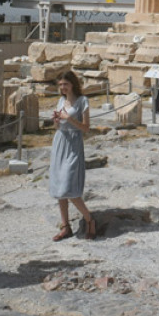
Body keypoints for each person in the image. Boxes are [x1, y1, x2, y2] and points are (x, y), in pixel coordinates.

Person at [49, 71, 97, 241]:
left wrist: (69, 118)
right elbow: (57, 127)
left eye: (65, 84)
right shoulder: (61, 100)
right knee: (59, 187)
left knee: (69, 187)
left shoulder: (83, 101)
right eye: (60, 84)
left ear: (72, 84)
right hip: (60, 142)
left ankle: (89, 219)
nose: (62, 87)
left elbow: (86, 128)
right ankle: (65, 226)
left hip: (74, 144)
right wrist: (56, 121)